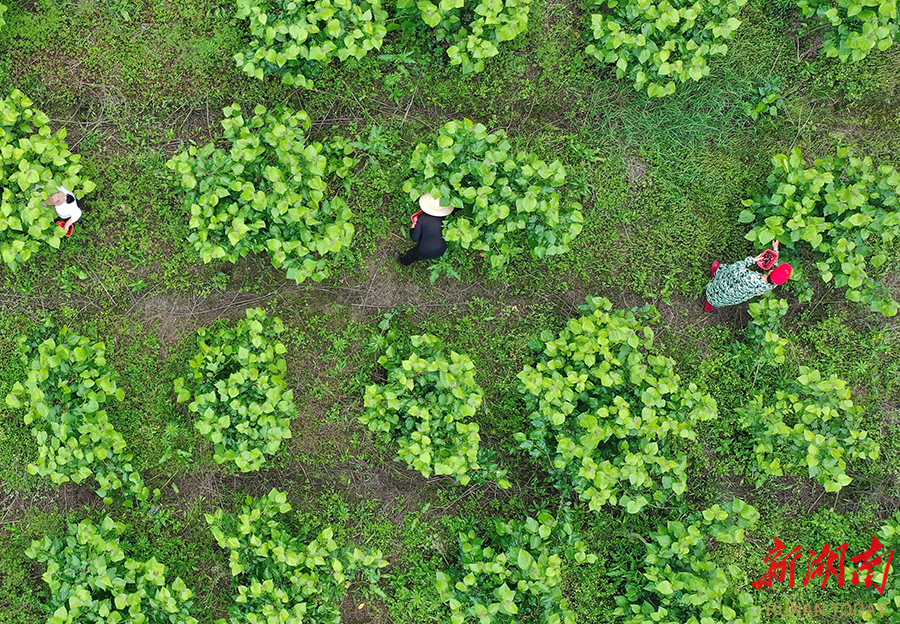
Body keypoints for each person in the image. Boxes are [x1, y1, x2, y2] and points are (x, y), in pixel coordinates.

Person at [705, 240, 792, 311]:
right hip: (729, 297)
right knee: (719, 301)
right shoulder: (773, 284)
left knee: (727, 273)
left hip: (717, 288)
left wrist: (752, 260)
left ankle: (716, 272)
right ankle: (711, 307)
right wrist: (775, 249)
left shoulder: (750, 278)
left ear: (771, 271)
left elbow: (734, 268)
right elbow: (775, 269)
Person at [395, 193, 454, 266]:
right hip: (442, 250)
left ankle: (403, 262)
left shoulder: (423, 219)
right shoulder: (448, 219)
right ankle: (423, 257)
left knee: (411, 254)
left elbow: (414, 238)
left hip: (425, 250)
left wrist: (412, 228)